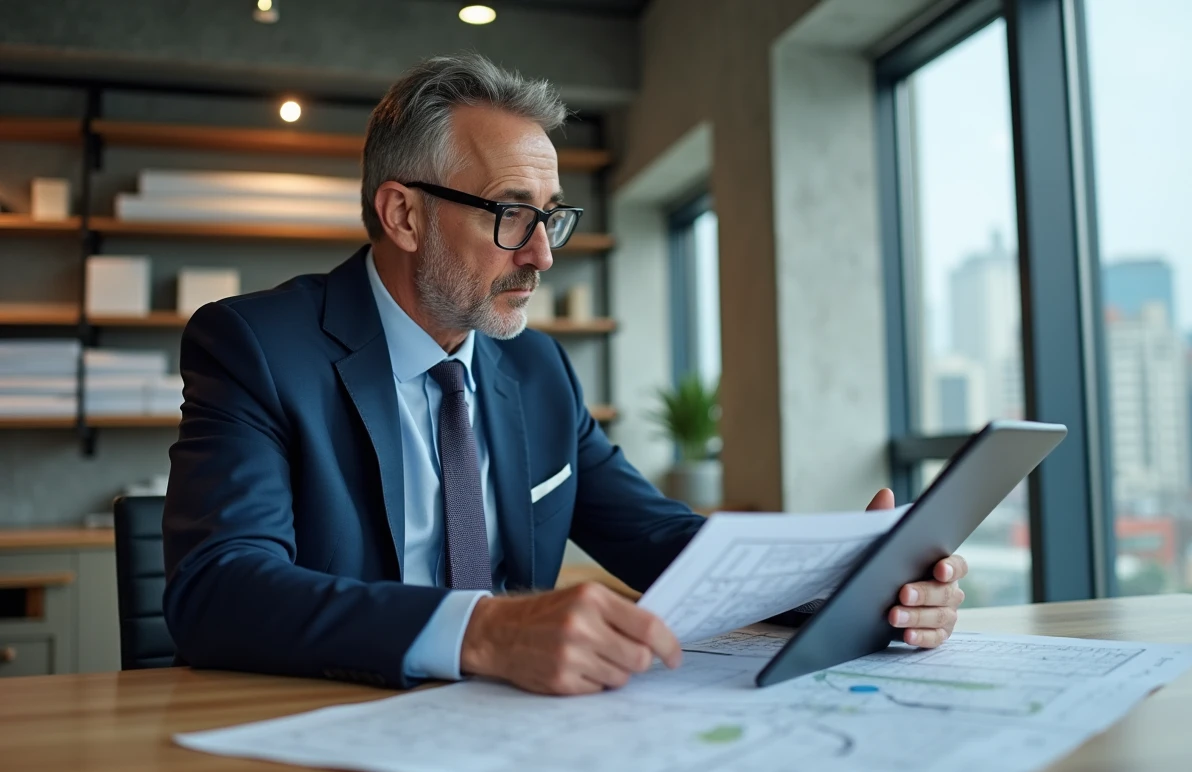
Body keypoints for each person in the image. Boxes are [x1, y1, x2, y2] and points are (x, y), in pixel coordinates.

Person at [162, 53, 967, 696]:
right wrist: (485, 631)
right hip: (321, 731)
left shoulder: (536, 368)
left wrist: (853, 585)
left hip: (525, 731)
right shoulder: (257, 346)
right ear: (403, 214)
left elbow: (662, 540)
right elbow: (221, 591)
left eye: (551, 219)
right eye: (512, 214)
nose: (542, 255)